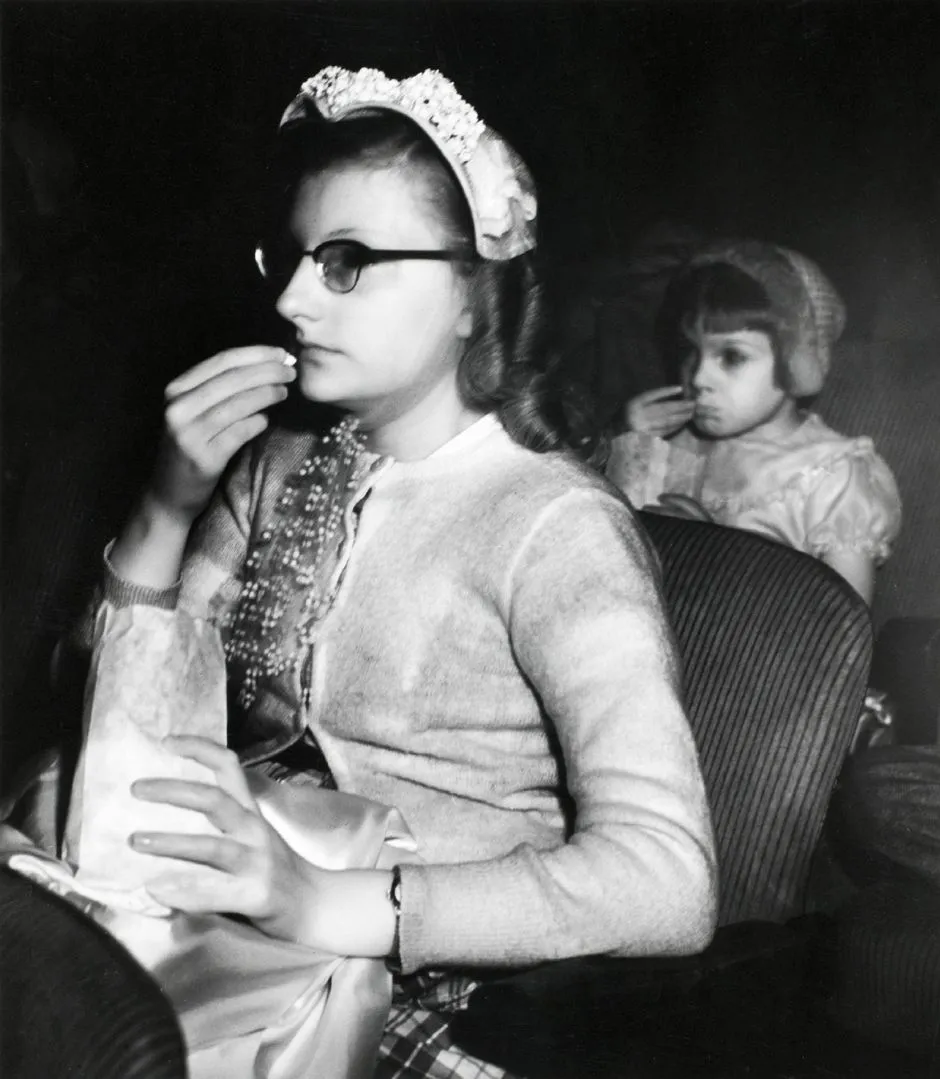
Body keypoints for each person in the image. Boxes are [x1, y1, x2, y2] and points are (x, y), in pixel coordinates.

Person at [56, 67, 717, 1077]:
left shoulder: (556, 526)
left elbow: (667, 882)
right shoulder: (278, 462)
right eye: (290, 257)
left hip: (433, 979)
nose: (289, 298)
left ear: (472, 297)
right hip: (233, 922)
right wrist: (165, 509)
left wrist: (322, 901)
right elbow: (118, 744)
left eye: (348, 261)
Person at [605, 240, 902, 605]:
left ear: (796, 357)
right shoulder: (681, 443)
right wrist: (626, 443)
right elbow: (613, 557)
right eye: (691, 352)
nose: (698, 377)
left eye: (731, 357)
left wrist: (719, 552)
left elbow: (843, 628)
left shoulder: (833, 476)